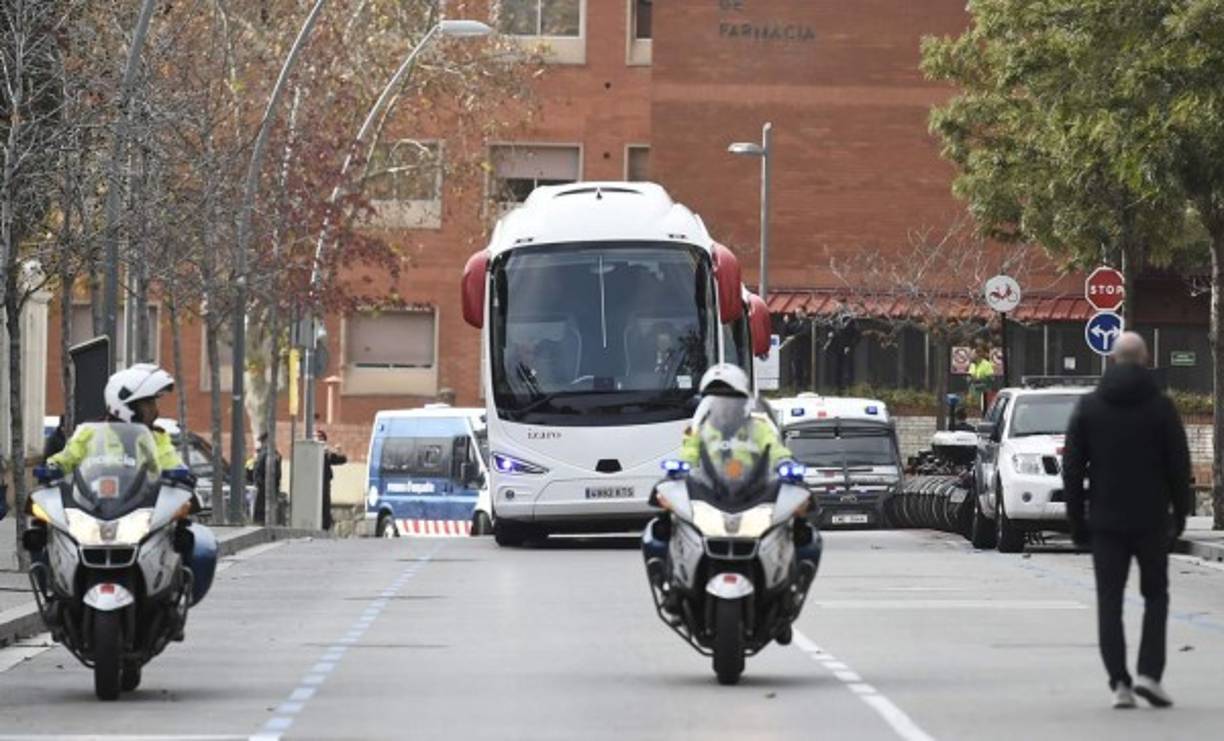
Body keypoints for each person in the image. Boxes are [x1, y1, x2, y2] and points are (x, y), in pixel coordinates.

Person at [1062, 332, 1192, 710]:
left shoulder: (1089, 407)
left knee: (1110, 600)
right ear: (1146, 358)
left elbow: (1072, 469)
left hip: (1105, 521)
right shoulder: (1162, 408)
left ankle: (1119, 682)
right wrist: (1180, 515)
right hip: (1151, 520)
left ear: (1112, 360)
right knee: (1156, 596)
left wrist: (1076, 521)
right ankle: (1150, 673)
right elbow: (1178, 466)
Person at [41, 363, 216, 606]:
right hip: (94, 506)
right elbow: (69, 457)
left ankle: (172, 597)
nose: (154, 410)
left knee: (189, 538)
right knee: (44, 532)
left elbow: (170, 462)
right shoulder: (89, 433)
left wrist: (181, 473)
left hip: (140, 507)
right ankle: (56, 593)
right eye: (148, 404)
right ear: (127, 405)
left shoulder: (156, 438)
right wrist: (53, 466)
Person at [681, 364, 793, 470]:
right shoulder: (700, 430)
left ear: (742, 402)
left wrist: (783, 460)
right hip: (710, 487)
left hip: (753, 486)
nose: (723, 405)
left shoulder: (757, 427)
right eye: (716, 401)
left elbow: (773, 447)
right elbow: (690, 452)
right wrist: (685, 465)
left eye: (729, 399)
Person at [317, 429, 348, 532]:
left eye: (321, 438)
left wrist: (338, 451)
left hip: (324, 484)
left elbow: (342, 459)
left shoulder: (327, 454)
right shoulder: (311, 453)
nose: (319, 441)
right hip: (312, 485)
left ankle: (325, 526)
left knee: (325, 505)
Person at [249, 433, 282, 524]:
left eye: (263, 441)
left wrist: (257, 483)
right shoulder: (274, 453)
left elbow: (257, 470)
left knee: (261, 508)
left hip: (263, 486)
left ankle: (262, 522)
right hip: (269, 485)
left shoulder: (265, 453)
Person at [967, 344, 995, 415]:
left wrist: (980, 379)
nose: (972, 356)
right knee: (972, 406)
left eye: (973, 354)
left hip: (983, 391)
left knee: (983, 409)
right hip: (974, 390)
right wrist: (969, 378)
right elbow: (970, 376)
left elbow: (991, 378)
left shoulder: (987, 364)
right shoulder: (972, 365)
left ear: (978, 355)